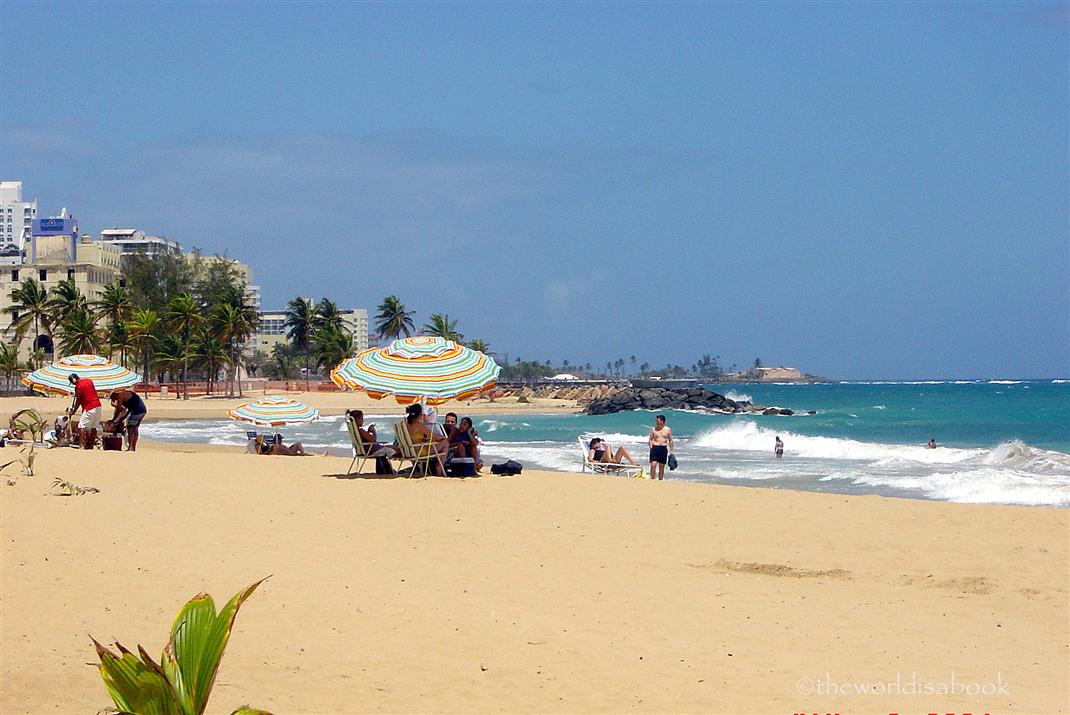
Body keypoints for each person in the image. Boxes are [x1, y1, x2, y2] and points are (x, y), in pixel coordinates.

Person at [346, 409, 397, 474]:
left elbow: (365, 439)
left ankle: (387, 470)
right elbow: (373, 440)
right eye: (362, 418)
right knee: (393, 449)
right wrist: (373, 431)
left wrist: (368, 432)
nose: (363, 420)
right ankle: (389, 471)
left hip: (366, 449)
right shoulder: (361, 430)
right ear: (357, 419)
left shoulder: (355, 430)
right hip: (371, 450)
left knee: (389, 448)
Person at [404, 403, 448, 475]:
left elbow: (414, 438)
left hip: (410, 451)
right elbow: (434, 436)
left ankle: (437, 467)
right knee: (445, 443)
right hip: (420, 452)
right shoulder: (419, 425)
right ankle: (439, 467)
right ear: (419, 414)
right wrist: (443, 437)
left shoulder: (407, 424)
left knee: (438, 442)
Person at [67, 373, 102, 449]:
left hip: (90, 406)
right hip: (98, 405)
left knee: (81, 425)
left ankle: (81, 445)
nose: (73, 384)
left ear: (74, 380)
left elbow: (78, 401)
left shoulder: (78, 386)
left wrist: (73, 412)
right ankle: (90, 445)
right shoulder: (89, 381)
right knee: (93, 427)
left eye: (72, 383)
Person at [648, 414, 675, 481]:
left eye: (657, 421)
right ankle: (652, 479)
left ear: (662, 421)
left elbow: (670, 440)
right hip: (655, 448)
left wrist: (671, 451)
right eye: (656, 421)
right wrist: (651, 447)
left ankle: (660, 480)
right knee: (653, 465)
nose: (656, 422)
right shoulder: (653, 429)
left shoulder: (668, 430)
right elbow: (650, 439)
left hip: (663, 449)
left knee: (661, 466)